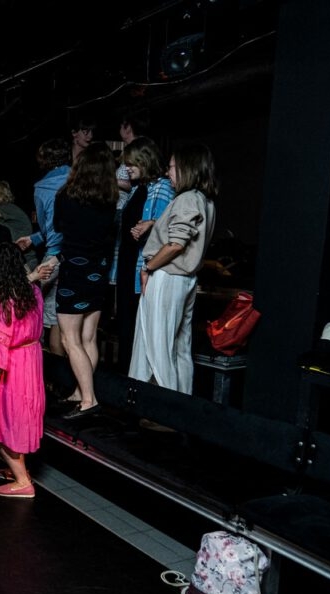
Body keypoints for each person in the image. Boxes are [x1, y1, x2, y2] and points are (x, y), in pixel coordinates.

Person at [129, 142, 219, 396]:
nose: (167, 173)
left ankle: (161, 406)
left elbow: (176, 244)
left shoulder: (187, 199)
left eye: (171, 167)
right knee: (179, 346)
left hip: (167, 276)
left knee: (157, 346)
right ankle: (180, 402)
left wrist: (147, 266)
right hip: (185, 279)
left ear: (186, 168)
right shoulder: (205, 201)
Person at [0, 244, 52, 497]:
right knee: (20, 418)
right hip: (31, 360)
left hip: (12, 368)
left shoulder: (3, 304)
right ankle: (20, 470)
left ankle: (22, 482)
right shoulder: (33, 291)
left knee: (0, 422)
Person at [55, 143, 119, 419]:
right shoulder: (109, 200)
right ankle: (80, 392)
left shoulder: (66, 195)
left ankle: (88, 400)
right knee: (89, 337)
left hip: (74, 271)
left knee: (70, 339)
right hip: (99, 272)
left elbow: (57, 226)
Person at [112, 136, 175, 372]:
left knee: (138, 328)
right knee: (126, 325)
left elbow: (165, 230)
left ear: (144, 160)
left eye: (131, 164)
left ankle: (136, 382)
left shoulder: (162, 187)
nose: (127, 169)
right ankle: (126, 378)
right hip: (128, 263)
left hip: (142, 265)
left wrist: (149, 226)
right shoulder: (139, 188)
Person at [30, 137, 72, 357]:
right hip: (76, 255)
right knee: (68, 321)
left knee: (46, 317)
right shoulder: (77, 178)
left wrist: (35, 238)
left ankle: (49, 371)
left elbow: (46, 227)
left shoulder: (40, 187)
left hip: (53, 255)